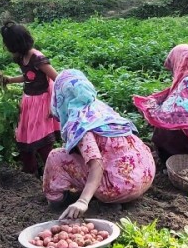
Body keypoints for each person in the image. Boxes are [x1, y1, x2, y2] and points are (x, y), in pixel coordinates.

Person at [43, 69, 155, 220]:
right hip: (144, 174)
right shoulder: (100, 108)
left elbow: (96, 162)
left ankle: (58, 199)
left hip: (119, 188)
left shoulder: (80, 122)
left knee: (56, 157)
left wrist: (82, 201)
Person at [0, 21, 60, 176]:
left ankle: (54, 172)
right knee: (24, 136)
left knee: (42, 139)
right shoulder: (21, 56)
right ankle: (30, 171)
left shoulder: (37, 58)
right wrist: (9, 79)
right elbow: (29, 76)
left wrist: (54, 104)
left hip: (42, 101)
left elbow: (57, 79)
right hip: (29, 99)